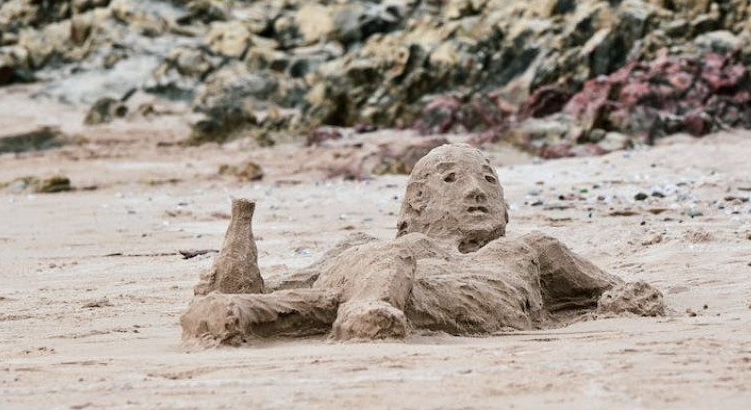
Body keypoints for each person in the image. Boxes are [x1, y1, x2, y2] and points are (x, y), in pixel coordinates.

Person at [180, 143, 662, 344]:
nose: (476, 191)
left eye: (489, 181)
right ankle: (232, 313)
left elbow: (618, 290)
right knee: (326, 293)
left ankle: (252, 317)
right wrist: (239, 251)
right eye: (452, 180)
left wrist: (627, 297)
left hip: (430, 298)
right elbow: (290, 284)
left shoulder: (527, 248)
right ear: (413, 204)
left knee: (372, 277)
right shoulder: (361, 244)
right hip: (367, 290)